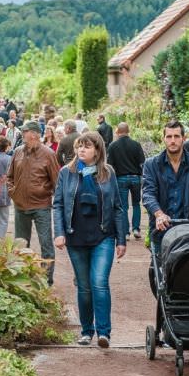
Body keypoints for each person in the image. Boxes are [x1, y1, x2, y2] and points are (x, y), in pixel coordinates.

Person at [53, 131, 126, 348]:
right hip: (76, 236)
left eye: (86, 146)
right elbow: (58, 204)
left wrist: (121, 239)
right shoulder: (67, 172)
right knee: (84, 287)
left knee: (99, 283)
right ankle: (86, 331)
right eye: (79, 146)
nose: (81, 150)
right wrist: (59, 232)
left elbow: (118, 207)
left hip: (103, 235)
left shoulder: (108, 173)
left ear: (97, 150)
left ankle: (104, 333)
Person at [142, 120, 189, 254]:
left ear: (184, 138)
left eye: (177, 136)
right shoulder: (151, 164)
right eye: (169, 136)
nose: (173, 140)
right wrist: (159, 214)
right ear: (163, 139)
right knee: (160, 270)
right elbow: (148, 193)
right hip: (162, 228)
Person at [7, 121, 60, 285]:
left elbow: (57, 182)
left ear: (35, 134)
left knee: (46, 244)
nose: (22, 135)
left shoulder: (49, 154)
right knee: (20, 244)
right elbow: (9, 177)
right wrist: (13, 192)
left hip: (41, 205)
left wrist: (46, 193)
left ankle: (47, 280)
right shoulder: (17, 152)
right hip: (20, 206)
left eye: (25, 132)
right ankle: (22, 278)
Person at [107, 122, 146, 240]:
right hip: (135, 178)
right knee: (136, 204)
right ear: (128, 131)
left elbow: (110, 165)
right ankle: (136, 229)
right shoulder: (136, 145)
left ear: (118, 132)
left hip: (121, 178)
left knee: (123, 206)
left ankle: (125, 233)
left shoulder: (113, 146)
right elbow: (142, 162)